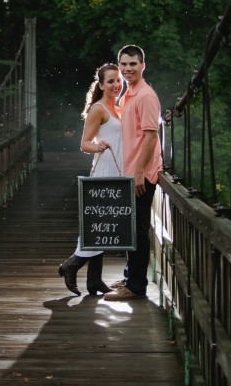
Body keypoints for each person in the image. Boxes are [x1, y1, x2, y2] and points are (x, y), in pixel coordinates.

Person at [58, 63, 122, 296]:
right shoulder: (99, 108)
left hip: (118, 170)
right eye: (111, 81)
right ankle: (71, 265)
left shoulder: (119, 108)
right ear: (102, 85)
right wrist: (98, 146)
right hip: (104, 169)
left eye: (118, 80)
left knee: (104, 226)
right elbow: (84, 144)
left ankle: (94, 280)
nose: (116, 85)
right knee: (98, 223)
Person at [104, 44, 163, 301]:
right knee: (131, 227)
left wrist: (139, 172)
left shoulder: (145, 96)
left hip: (142, 174)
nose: (128, 69)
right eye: (124, 65)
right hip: (130, 172)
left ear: (142, 66)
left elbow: (151, 137)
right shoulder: (128, 95)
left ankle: (136, 286)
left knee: (138, 230)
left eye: (133, 64)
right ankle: (130, 277)